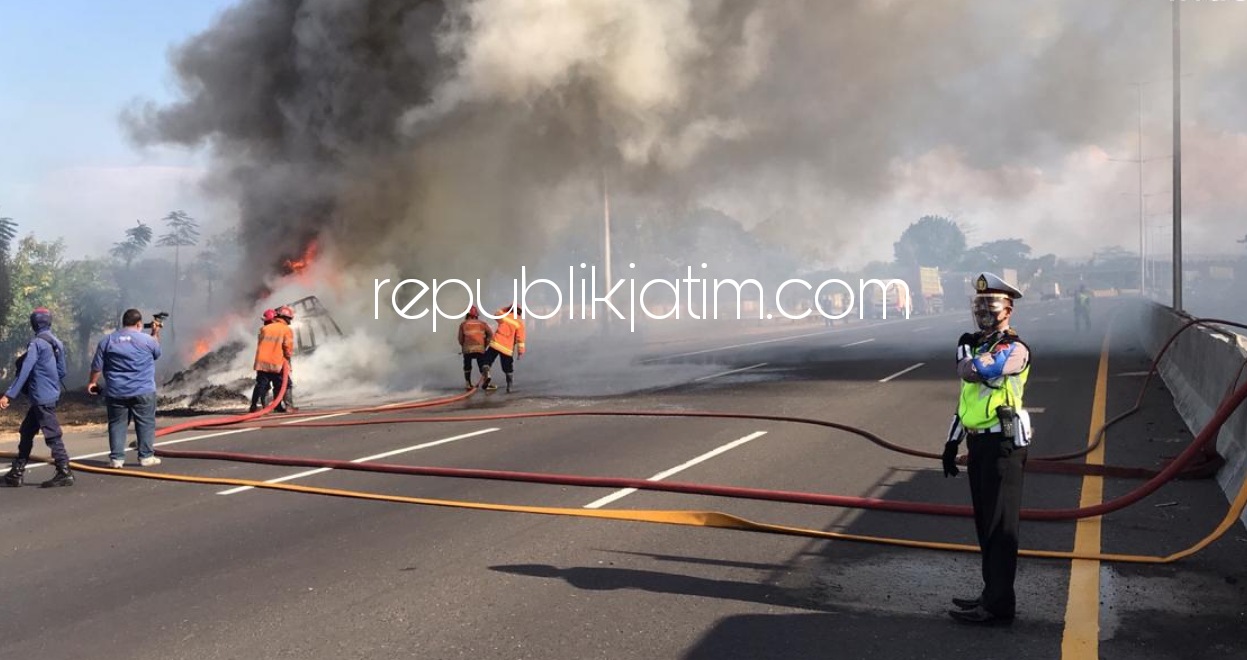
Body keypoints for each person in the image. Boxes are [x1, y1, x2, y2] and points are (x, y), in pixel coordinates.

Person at [942, 272, 1032, 625]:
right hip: (979, 444)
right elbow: (965, 401)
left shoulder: (1016, 349)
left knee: (1000, 528)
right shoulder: (977, 345)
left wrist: (966, 358)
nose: (983, 312)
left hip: (1003, 446)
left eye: (991, 306)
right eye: (979, 306)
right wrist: (952, 442)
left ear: (1007, 310)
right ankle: (989, 594)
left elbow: (980, 372)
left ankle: (999, 605)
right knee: (985, 525)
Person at [1, 308, 72, 488]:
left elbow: (25, 370)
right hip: (51, 394)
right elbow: (62, 371)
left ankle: (64, 471)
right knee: (26, 430)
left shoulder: (36, 343)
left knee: (52, 433)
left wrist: (9, 395)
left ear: (34, 323)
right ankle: (16, 472)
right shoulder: (57, 343)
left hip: (40, 396)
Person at [88, 309, 163, 468]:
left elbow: (96, 367)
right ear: (139, 324)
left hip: (116, 391)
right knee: (146, 422)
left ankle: (116, 459)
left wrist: (92, 383)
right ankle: (146, 456)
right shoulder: (147, 340)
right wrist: (155, 333)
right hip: (143, 390)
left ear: (123, 323)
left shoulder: (107, 341)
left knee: (116, 423)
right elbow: (156, 353)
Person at [251, 305, 295, 413]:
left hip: (261, 364)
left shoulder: (263, 329)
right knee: (285, 384)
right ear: (285, 318)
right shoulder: (286, 329)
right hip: (277, 363)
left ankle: (265, 408)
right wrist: (288, 360)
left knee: (263, 386)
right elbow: (288, 348)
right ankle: (289, 406)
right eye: (289, 318)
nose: (290, 321)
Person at [480, 304, 526, 393]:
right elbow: (521, 339)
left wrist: (506, 309)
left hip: (496, 343)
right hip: (507, 348)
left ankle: (487, 370)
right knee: (507, 367)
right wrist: (520, 352)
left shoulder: (504, 316)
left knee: (487, 360)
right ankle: (509, 385)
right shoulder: (519, 323)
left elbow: (496, 314)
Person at [248, 309, 278, 411]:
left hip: (261, 362)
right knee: (277, 384)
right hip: (273, 362)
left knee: (261, 385)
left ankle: (254, 405)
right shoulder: (276, 330)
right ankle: (274, 406)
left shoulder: (262, 330)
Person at [457, 306, 493, 390]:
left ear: (467, 315)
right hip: (480, 348)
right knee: (482, 364)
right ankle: (487, 380)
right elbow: (490, 335)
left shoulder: (463, 324)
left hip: (468, 349)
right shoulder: (482, 324)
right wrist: (485, 344)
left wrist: (463, 346)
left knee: (467, 365)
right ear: (476, 315)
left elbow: (460, 338)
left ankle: (468, 383)